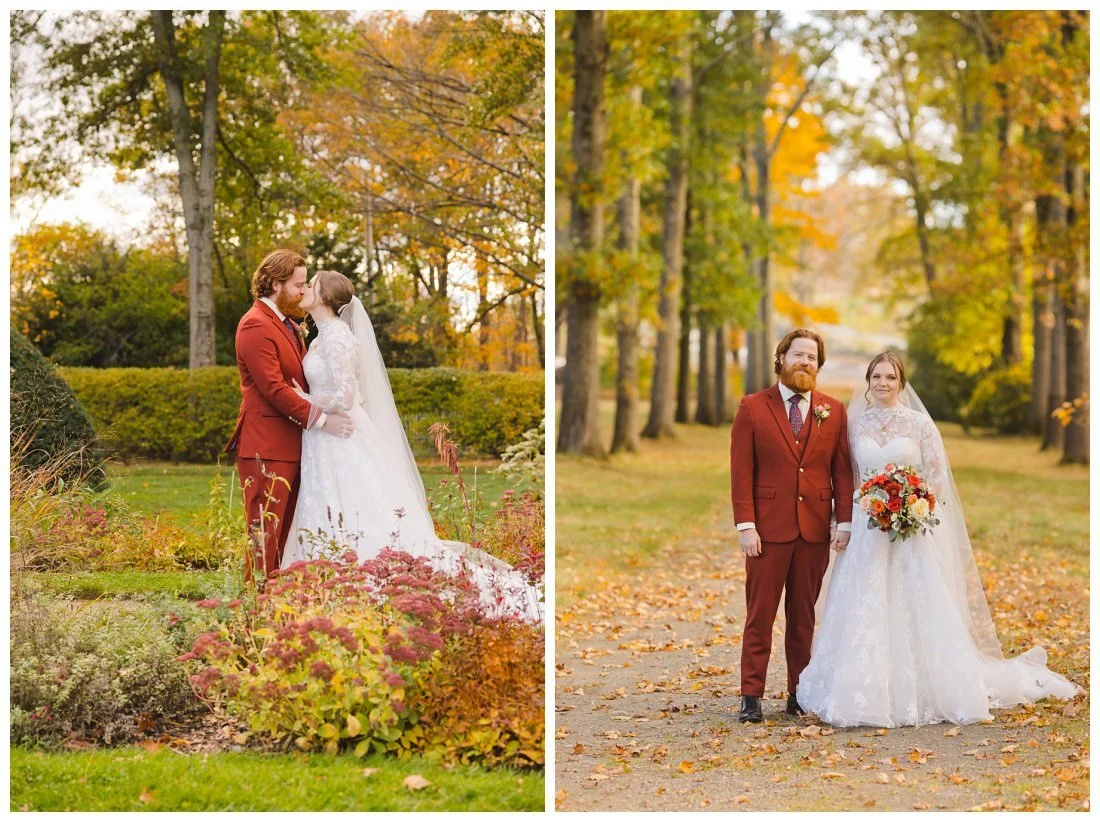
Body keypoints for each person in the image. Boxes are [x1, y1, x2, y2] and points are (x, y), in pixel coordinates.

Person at [796, 352, 1078, 727]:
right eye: (876, 376)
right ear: (867, 381)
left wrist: (914, 504)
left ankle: (924, 687)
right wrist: (843, 518)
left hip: (909, 528)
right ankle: (862, 688)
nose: (883, 383)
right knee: (865, 600)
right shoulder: (854, 425)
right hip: (867, 527)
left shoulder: (919, 424)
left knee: (916, 602)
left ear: (901, 382)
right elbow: (847, 476)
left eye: (890, 377)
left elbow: (936, 474)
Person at [280, 270, 543, 622]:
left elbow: (345, 396)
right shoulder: (317, 339)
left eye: (311, 285)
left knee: (353, 505)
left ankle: (360, 581)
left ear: (326, 297)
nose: (306, 289)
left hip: (339, 435)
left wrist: (304, 399)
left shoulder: (339, 338)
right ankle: (322, 581)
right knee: (327, 502)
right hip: (322, 439)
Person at [730, 329, 854, 723]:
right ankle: (751, 696)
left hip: (815, 531)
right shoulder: (753, 407)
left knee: (803, 618)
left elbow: (842, 473)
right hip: (767, 531)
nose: (805, 362)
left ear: (819, 365)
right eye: (798, 355)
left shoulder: (833, 409)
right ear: (781, 358)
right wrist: (746, 525)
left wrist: (844, 521)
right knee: (760, 616)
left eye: (812, 358)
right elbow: (741, 471)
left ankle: (799, 693)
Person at [224, 249, 354, 583]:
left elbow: (300, 383)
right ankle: (255, 608)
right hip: (266, 447)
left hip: (295, 446)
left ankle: (275, 604)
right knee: (264, 535)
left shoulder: (285, 323)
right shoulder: (254, 324)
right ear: (275, 283)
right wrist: (324, 420)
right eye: (297, 284)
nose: (302, 291)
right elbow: (275, 389)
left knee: (284, 538)